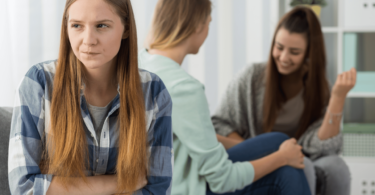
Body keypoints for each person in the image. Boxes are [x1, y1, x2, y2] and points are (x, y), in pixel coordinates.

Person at [140, 0, 311, 194]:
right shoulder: (184, 89)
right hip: (181, 187)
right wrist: (282, 157)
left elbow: (186, 138)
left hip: (164, 178)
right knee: (284, 163)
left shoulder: (140, 61)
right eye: (209, 22)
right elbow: (222, 180)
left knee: (279, 145)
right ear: (198, 25)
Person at [8, 0, 173, 194]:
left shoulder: (153, 92)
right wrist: (118, 183)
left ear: (126, 28)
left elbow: (157, 189)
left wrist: (57, 186)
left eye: (102, 26)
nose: (88, 40)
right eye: (77, 25)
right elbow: (24, 187)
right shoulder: (38, 84)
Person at [212, 6, 355, 195]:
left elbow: (326, 147)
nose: (284, 57)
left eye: (294, 52)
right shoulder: (251, 78)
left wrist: (338, 97)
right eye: (279, 48)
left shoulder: (321, 88)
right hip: (260, 157)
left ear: (309, 53)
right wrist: (259, 150)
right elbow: (220, 124)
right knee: (303, 169)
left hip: (303, 154)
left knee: (336, 167)